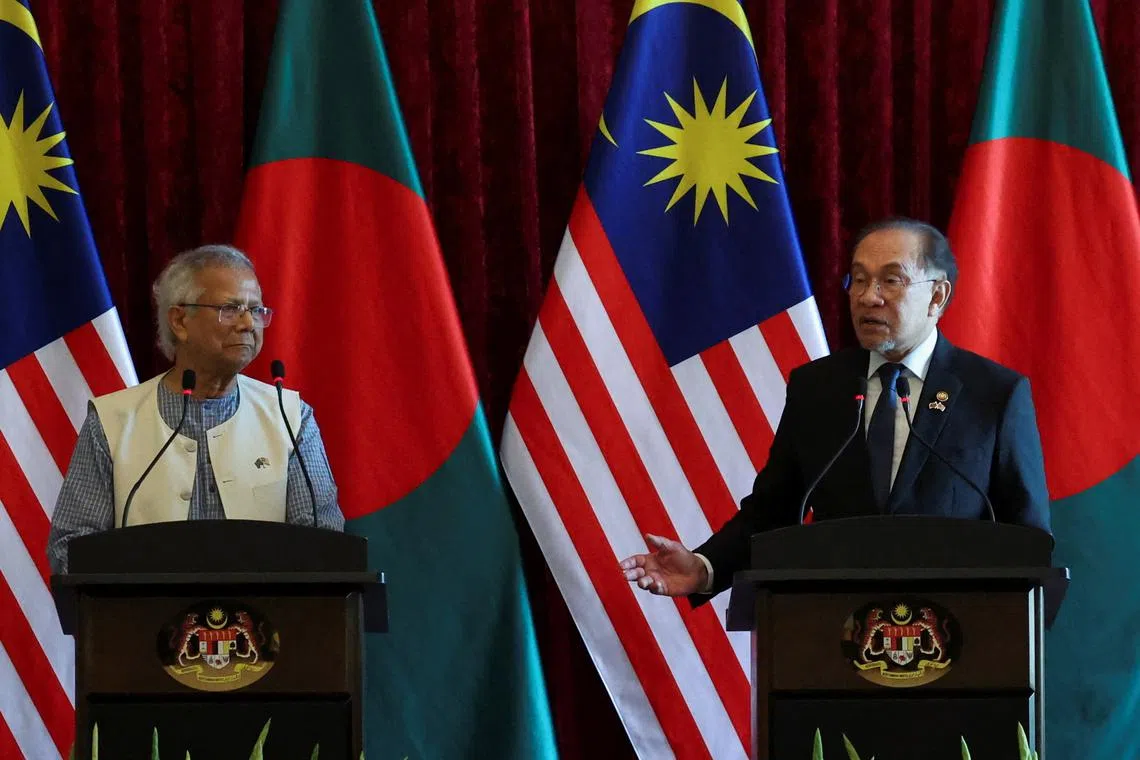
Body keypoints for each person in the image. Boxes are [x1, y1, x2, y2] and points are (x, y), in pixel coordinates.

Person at [620, 218, 1050, 600]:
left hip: (959, 645)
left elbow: (1026, 538)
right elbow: (774, 511)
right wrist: (706, 566)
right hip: (835, 641)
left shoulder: (993, 394)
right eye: (858, 280)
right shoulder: (818, 388)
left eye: (891, 281)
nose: (868, 297)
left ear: (937, 296)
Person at [47, 244, 344, 574]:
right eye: (230, 309)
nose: (248, 323)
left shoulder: (291, 418)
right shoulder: (113, 421)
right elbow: (70, 549)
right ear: (179, 321)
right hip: (145, 621)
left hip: (264, 621)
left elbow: (323, 541)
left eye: (256, 310)